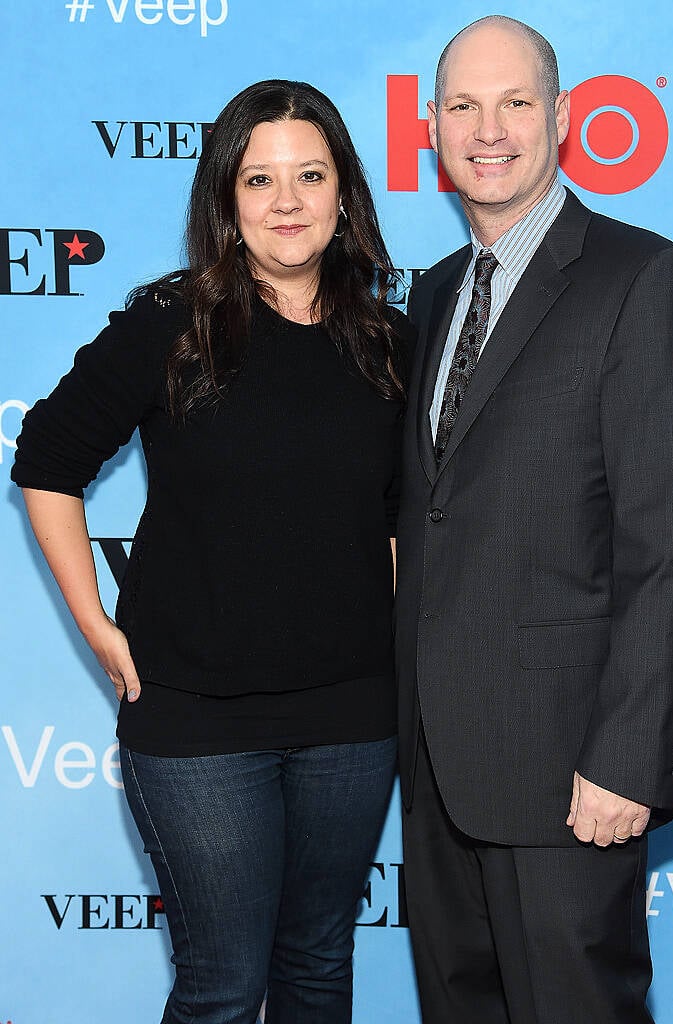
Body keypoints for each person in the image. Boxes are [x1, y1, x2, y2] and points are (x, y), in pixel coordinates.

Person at [12, 79, 412, 1024]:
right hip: (197, 724)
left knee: (316, 965)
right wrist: (94, 624)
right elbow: (47, 461)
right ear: (225, 202)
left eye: (309, 175)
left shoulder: (391, 340)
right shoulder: (172, 324)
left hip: (354, 717)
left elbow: (400, 520)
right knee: (225, 985)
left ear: (344, 191)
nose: (285, 201)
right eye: (257, 178)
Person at [395, 16, 673, 1024]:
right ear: (433, 128)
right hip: (438, 769)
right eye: (462, 105)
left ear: (565, 117)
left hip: (569, 774)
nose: (486, 129)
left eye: (512, 102)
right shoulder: (432, 294)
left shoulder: (643, 279)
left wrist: (629, 755)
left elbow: (672, 543)